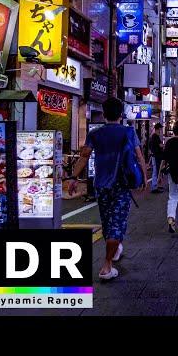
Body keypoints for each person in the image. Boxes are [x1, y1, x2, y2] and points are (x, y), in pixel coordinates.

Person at [68, 97, 147, 281]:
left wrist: (73, 177)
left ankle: (115, 249)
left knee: (107, 222)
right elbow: (139, 155)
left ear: (104, 113)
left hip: (101, 185)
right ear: (121, 114)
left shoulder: (95, 134)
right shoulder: (128, 132)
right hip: (121, 184)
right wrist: (143, 176)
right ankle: (106, 265)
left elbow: (84, 156)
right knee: (117, 223)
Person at [148, 122, 165, 193]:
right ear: (158, 129)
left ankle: (156, 185)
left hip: (155, 156)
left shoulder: (152, 136)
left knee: (156, 171)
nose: (161, 130)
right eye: (160, 129)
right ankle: (154, 187)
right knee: (155, 171)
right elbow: (160, 145)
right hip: (156, 156)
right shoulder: (155, 136)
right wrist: (164, 145)